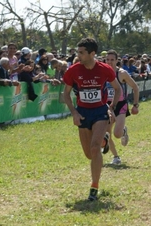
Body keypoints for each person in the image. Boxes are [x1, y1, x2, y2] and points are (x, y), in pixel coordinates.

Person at [62, 37, 121, 201]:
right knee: (89, 154)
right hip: (82, 113)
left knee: (95, 149)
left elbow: (117, 89)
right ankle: (105, 141)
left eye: (81, 53)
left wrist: (111, 107)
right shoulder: (73, 70)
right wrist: (74, 113)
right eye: (78, 52)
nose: (78, 55)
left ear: (92, 53)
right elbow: (65, 94)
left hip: (100, 112)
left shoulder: (104, 69)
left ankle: (94, 186)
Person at [104, 50, 140, 164]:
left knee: (117, 134)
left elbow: (135, 87)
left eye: (112, 60)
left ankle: (123, 131)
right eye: (107, 60)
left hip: (120, 105)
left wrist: (135, 105)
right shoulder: (102, 73)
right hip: (107, 105)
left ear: (117, 60)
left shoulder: (122, 73)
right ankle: (116, 157)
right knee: (107, 133)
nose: (109, 62)